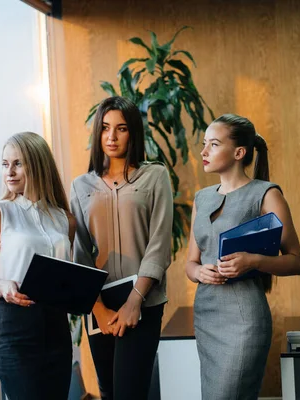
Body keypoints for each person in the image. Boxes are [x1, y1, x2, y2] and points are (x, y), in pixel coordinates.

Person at [185, 114, 300, 399]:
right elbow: (191, 263)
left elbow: (296, 260)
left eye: (213, 145)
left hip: (244, 321)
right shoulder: (202, 199)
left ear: (239, 153)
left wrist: (253, 261)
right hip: (206, 316)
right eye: (204, 144)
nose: (203, 152)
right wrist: (199, 272)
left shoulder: (265, 194)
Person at [70, 96, 173, 400]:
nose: (111, 137)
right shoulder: (81, 186)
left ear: (134, 133)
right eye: (104, 128)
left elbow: (159, 244)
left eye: (121, 128)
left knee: (130, 391)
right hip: (99, 304)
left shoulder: (155, 176)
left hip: (143, 302)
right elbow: (81, 253)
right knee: (109, 392)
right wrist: (98, 310)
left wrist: (134, 302)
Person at [0, 131, 76, 400]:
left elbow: (66, 275)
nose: (10, 172)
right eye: (5, 164)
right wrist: (3, 286)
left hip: (56, 327)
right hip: (14, 327)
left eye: (18, 163)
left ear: (38, 164)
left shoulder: (65, 219)